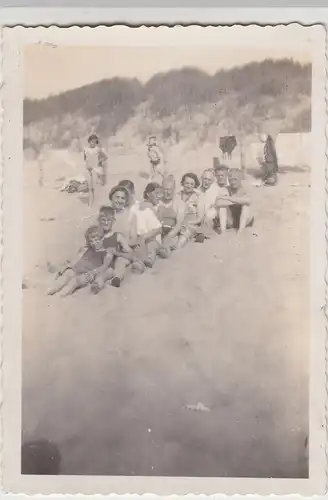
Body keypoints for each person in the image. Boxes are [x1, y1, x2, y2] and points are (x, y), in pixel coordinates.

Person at [47, 226, 114, 296]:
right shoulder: (89, 249)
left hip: (87, 273)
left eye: (97, 240)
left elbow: (105, 266)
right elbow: (78, 258)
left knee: (75, 281)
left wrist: (93, 272)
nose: (94, 243)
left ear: (102, 238)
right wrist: (68, 266)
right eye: (91, 241)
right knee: (65, 276)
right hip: (76, 269)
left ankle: (60, 296)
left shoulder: (107, 252)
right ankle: (49, 291)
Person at [92, 206, 135, 290]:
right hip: (96, 265)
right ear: (99, 220)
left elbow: (131, 254)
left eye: (109, 220)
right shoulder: (95, 236)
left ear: (113, 221)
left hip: (110, 266)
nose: (106, 223)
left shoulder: (117, 236)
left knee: (105, 275)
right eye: (103, 220)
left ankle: (101, 284)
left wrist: (117, 253)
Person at [129, 182, 167, 267]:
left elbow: (159, 227)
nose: (159, 196)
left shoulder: (159, 207)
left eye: (160, 193)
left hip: (150, 238)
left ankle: (150, 256)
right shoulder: (141, 206)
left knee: (151, 248)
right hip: (141, 237)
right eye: (156, 193)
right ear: (148, 194)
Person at [216, 168, 254, 233]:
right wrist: (238, 201)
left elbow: (248, 201)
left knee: (246, 206)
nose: (233, 182)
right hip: (231, 221)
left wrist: (228, 198)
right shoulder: (225, 189)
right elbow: (218, 203)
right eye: (230, 180)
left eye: (235, 179)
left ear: (240, 179)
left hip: (245, 221)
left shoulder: (246, 187)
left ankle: (240, 231)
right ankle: (223, 232)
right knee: (222, 207)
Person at [157, 175, 185, 253]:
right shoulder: (157, 201)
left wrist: (168, 237)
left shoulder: (179, 203)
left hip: (172, 234)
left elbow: (179, 224)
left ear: (174, 189)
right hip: (157, 232)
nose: (168, 192)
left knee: (166, 248)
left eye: (170, 189)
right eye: (165, 189)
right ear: (161, 189)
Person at [175, 172, 202, 248]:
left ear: (195, 185)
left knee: (185, 232)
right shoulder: (177, 195)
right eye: (187, 183)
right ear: (183, 183)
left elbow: (199, 219)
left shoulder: (198, 197)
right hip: (177, 222)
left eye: (191, 184)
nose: (189, 186)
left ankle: (177, 248)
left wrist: (186, 222)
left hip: (191, 223)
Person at [83, 134, 108, 207]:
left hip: (95, 169)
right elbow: (85, 159)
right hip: (88, 169)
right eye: (91, 142)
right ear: (89, 141)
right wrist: (87, 166)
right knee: (90, 188)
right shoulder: (85, 149)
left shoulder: (97, 149)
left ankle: (95, 203)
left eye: (94, 142)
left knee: (94, 187)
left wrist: (99, 161)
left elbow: (105, 157)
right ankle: (90, 203)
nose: (93, 143)